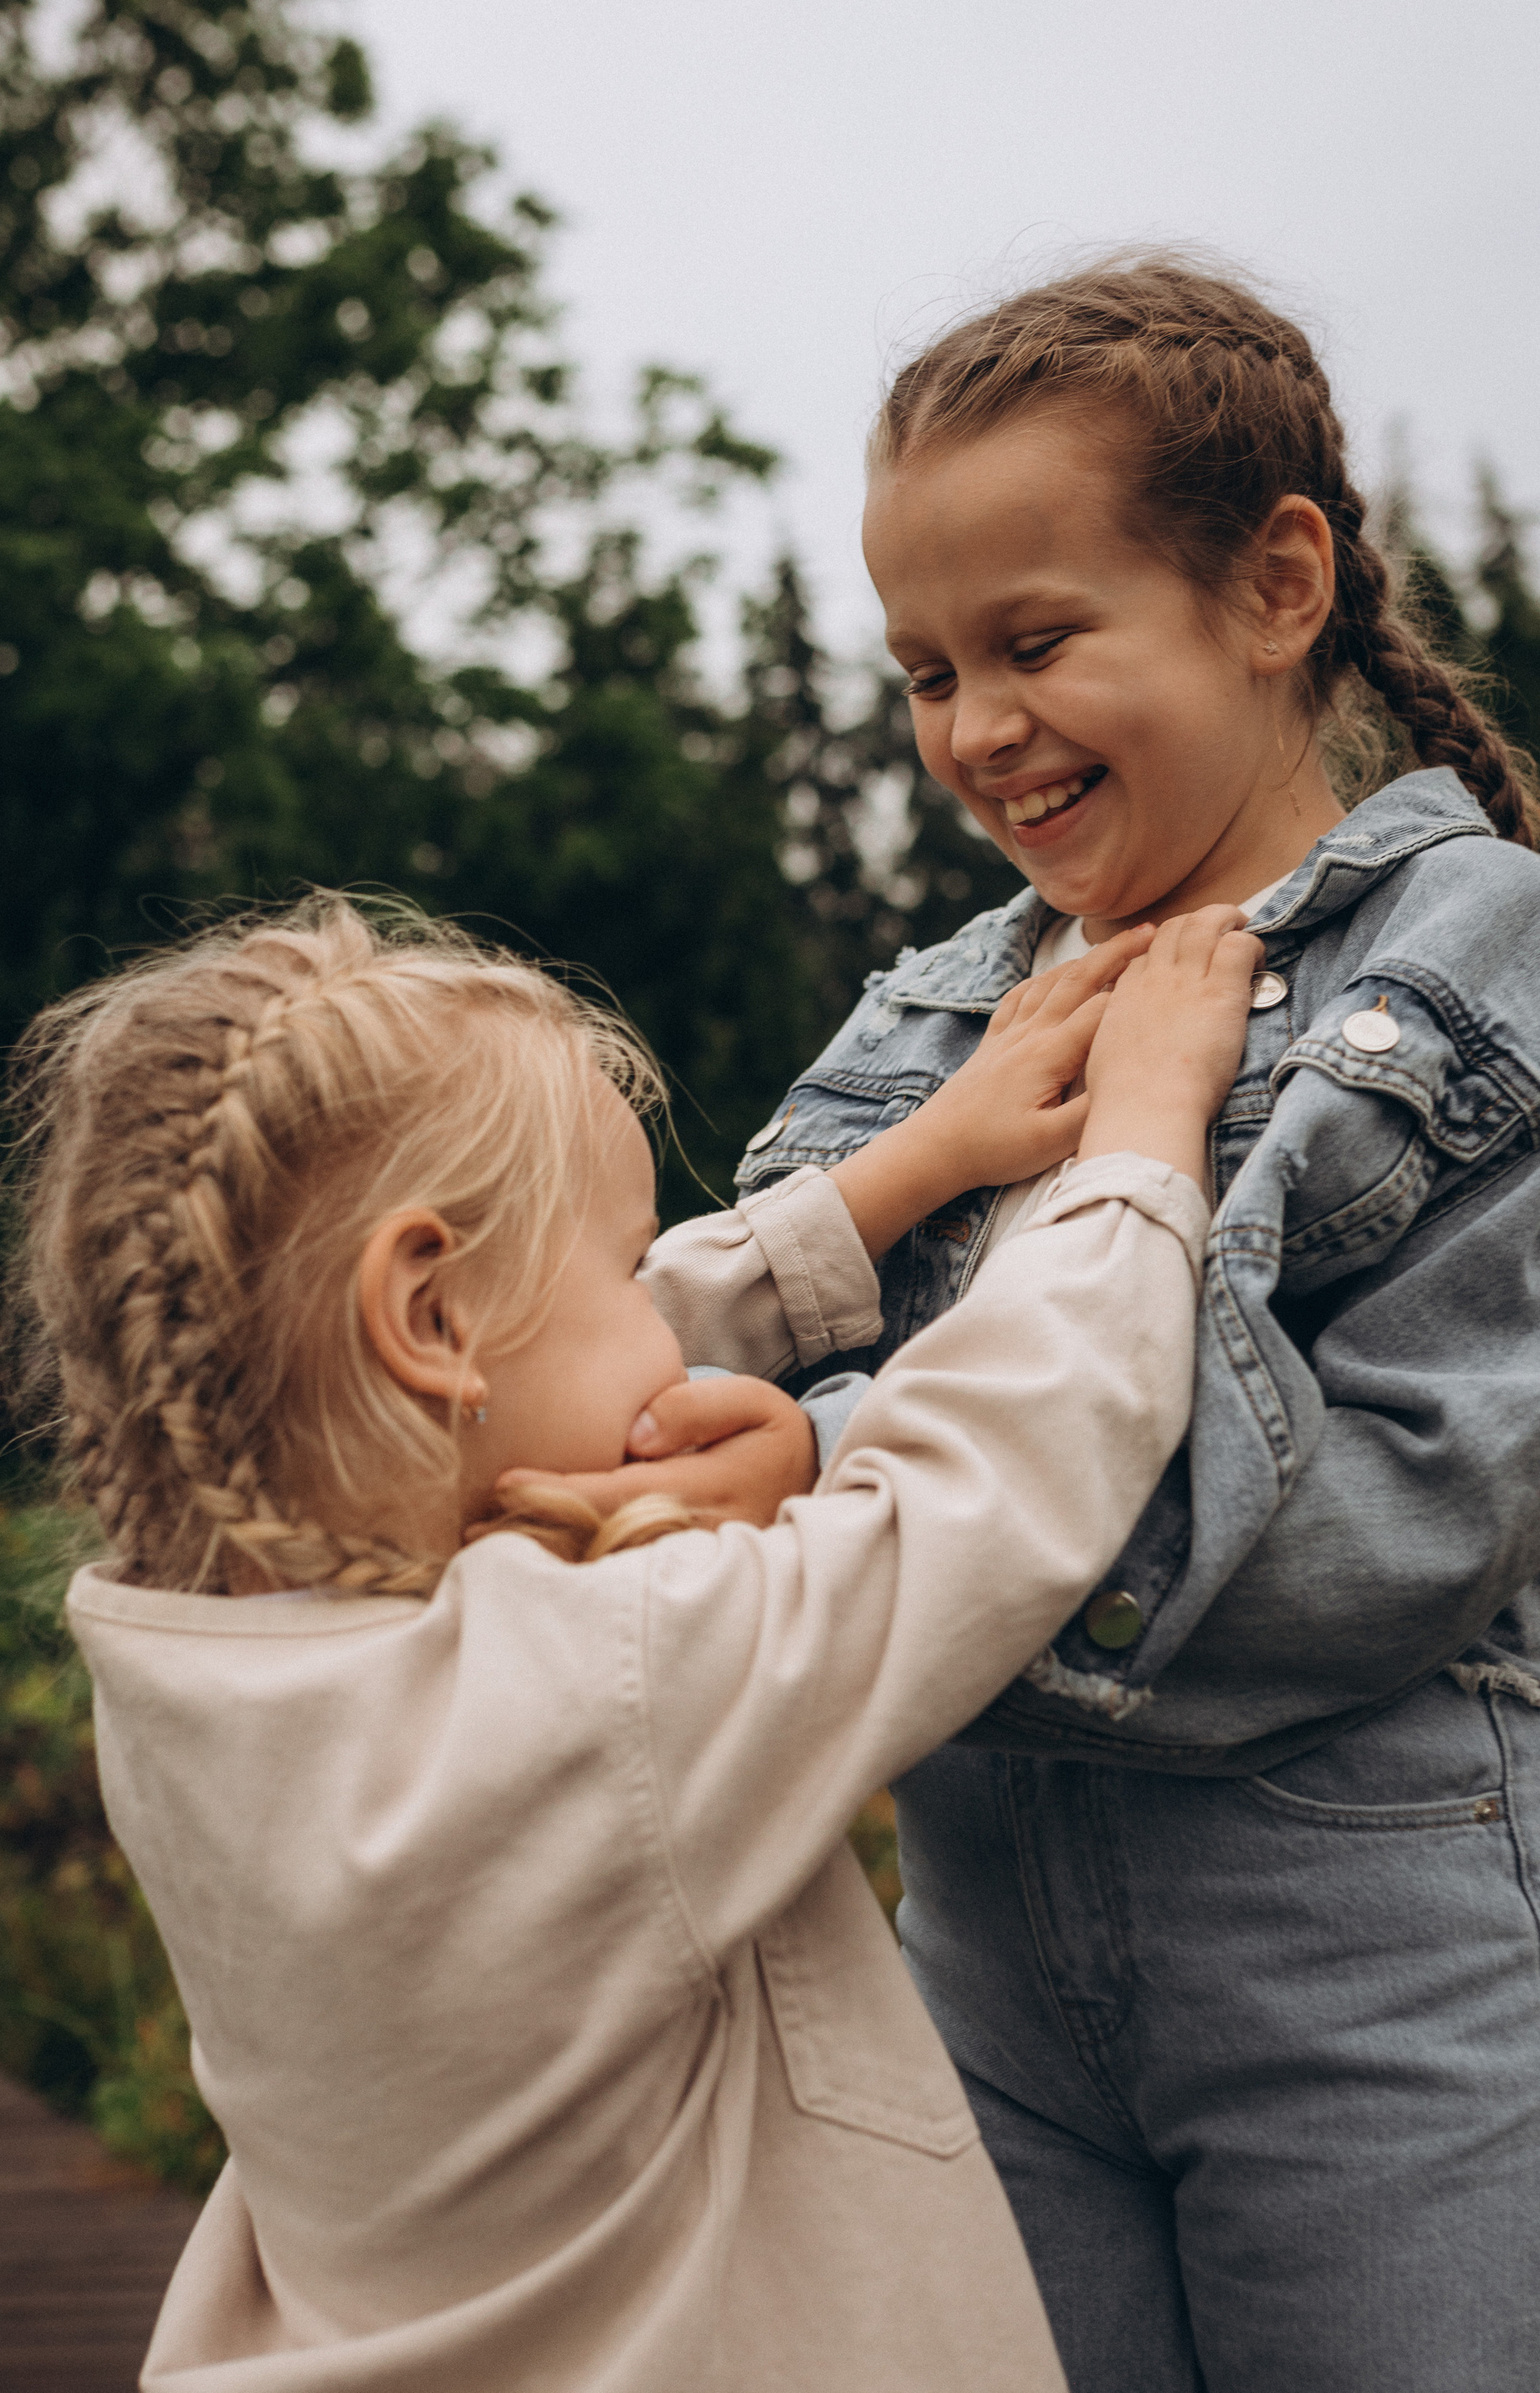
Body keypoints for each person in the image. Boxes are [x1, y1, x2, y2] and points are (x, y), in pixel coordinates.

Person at [607, 258, 1540, 2393]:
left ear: (1278, 579)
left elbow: (1405, 1521)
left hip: (1374, 1976)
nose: (974, 732)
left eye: (1037, 643)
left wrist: (837, 1490)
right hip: (983, 1975)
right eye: (927, 669)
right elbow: (708, 1368)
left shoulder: (1487, 973)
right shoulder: (942, 1015)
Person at [3, 889, 1256, 2393]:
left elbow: (513, 1369)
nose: (657, 1311)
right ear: (424, 1320)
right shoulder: (605, 1691)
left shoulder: (202, 1658)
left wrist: (909, 1164)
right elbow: (998, 1476)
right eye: (623, 1265)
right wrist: (1138, 1143)